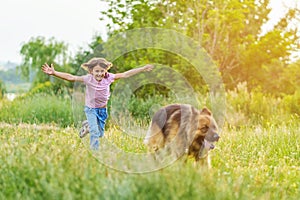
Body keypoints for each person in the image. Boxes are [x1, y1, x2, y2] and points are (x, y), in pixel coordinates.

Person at [42, 57, 153, 150]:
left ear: (105, 71)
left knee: (100, 134)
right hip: (91, 109)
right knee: (95, 133)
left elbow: (125, 74)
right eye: (97, 71)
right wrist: (54, 73)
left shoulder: (109, 78)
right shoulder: (88, 79)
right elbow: (71, 77)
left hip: (102, 110)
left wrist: (142, 68)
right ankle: (95, 152)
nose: (99, 74)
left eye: (102, 71)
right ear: (91, 71)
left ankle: (88, 125)